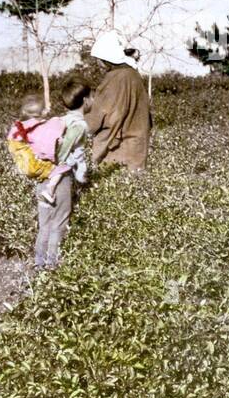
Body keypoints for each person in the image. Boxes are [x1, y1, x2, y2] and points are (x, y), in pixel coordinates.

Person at [32, 80, 92, 270]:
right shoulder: (79, 125)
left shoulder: (59, 120)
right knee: (58, 223)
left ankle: (39, 264)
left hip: (42, 176)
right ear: (85, 100)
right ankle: (52, 266)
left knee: (45, 224)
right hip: (60, 179)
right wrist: (81, 176)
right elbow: (63, 155)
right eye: (92, 96)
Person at [82, 30, 152, 171]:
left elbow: (98, 117)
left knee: (112, 187)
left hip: (118, 149)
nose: (98, 63)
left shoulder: (113, 79)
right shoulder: (133, 75)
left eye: (99, 59)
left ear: (106, 59)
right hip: (137, 146)